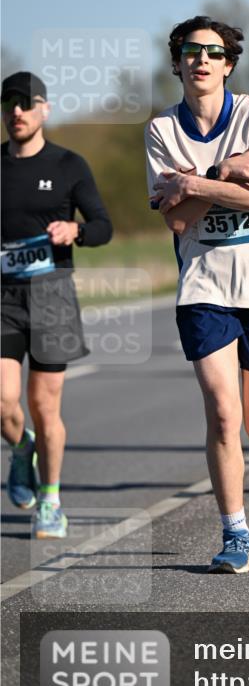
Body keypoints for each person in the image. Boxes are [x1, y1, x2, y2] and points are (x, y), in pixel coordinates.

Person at [145, 15, 249, 574]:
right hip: (203, 286)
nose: (202, 60)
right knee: (222, 412)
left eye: (213, 53)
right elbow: (176, 222)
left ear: (228, 64)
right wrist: (228, 172)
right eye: (191, 51)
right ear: (177, 63)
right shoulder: (161, 130)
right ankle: (236, 533)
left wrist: (194, 182)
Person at [1, 71, 113, 539]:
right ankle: (21, 447)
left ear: (44, 109)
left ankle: (50, 501)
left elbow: (103, 225)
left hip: (52, 296)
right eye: (9, 103)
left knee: (45, 406)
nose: (17, 111)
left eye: (26, 103)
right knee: (4, 401)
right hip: (3, 296)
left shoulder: (69, 165)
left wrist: (76, 231)